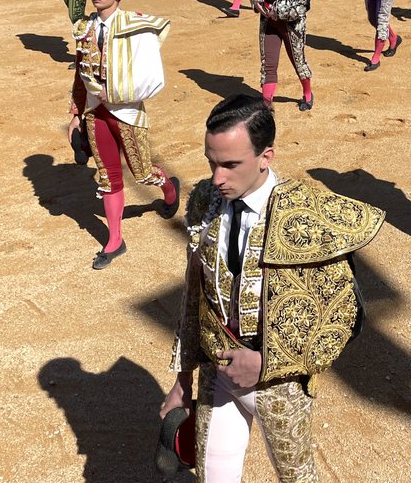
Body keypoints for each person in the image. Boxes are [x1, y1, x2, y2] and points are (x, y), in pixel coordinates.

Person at [162, 94, 383, 483]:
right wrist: (182, 378)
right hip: (216, 370)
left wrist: (267, 363)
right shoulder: (204, 201)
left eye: (231, 165)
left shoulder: (306, 217)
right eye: (212, 162)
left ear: (266, 156)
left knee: (297, 478)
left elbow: (340, 316)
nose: (217, 178)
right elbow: (194, 294)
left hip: (280, 386)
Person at [66, 0, 180, 269]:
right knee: (108, 177)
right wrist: (76, 112)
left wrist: (115, 92)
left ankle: (169, 187)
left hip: (127, 112)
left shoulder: (137, 26)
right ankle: (114, 240)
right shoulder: (84, 28)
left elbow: (151, 75)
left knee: (142, 173)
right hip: (95, 112)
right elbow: (80, 74)